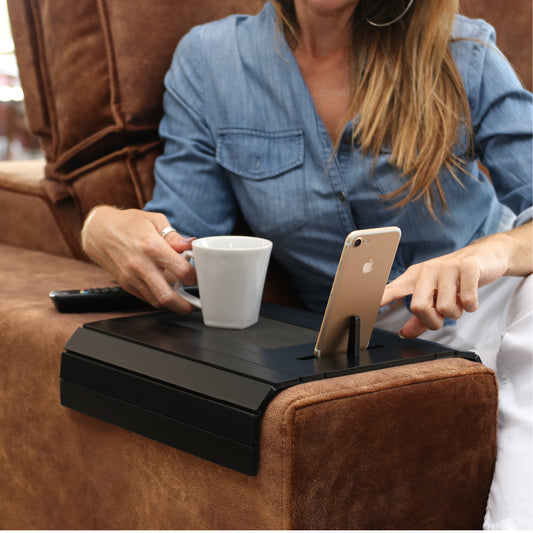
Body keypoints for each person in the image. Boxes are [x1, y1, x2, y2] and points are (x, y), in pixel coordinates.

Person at [81, 0, 532, 528]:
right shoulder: (212, 62)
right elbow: (182, 249)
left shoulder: (463, 50)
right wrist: (102, 225)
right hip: (361, 340)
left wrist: (488, 254)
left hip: (493, 305)